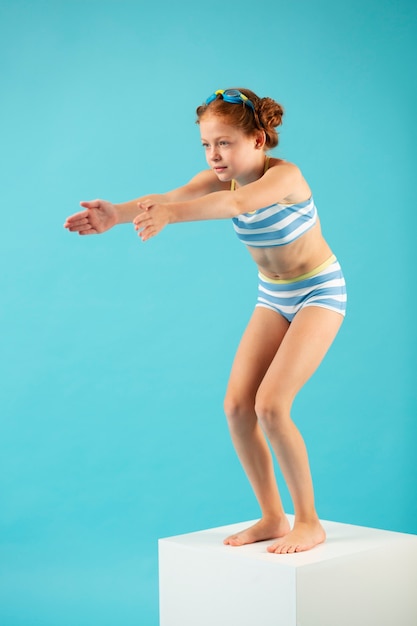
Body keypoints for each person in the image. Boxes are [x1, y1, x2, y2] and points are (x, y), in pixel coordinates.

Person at [64, 88, 347, 554]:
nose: (214, 155)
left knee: (272, 407)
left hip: (318, 290)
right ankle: (274, 517)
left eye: (225, 143)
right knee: (238, 408)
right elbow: (168, 196)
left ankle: (309, 521)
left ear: (258, 139)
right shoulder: (220, 178)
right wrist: (115, 214)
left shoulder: (285, 178)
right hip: (274, 294)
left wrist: (171, 216)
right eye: (206, 144)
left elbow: (237, 206)